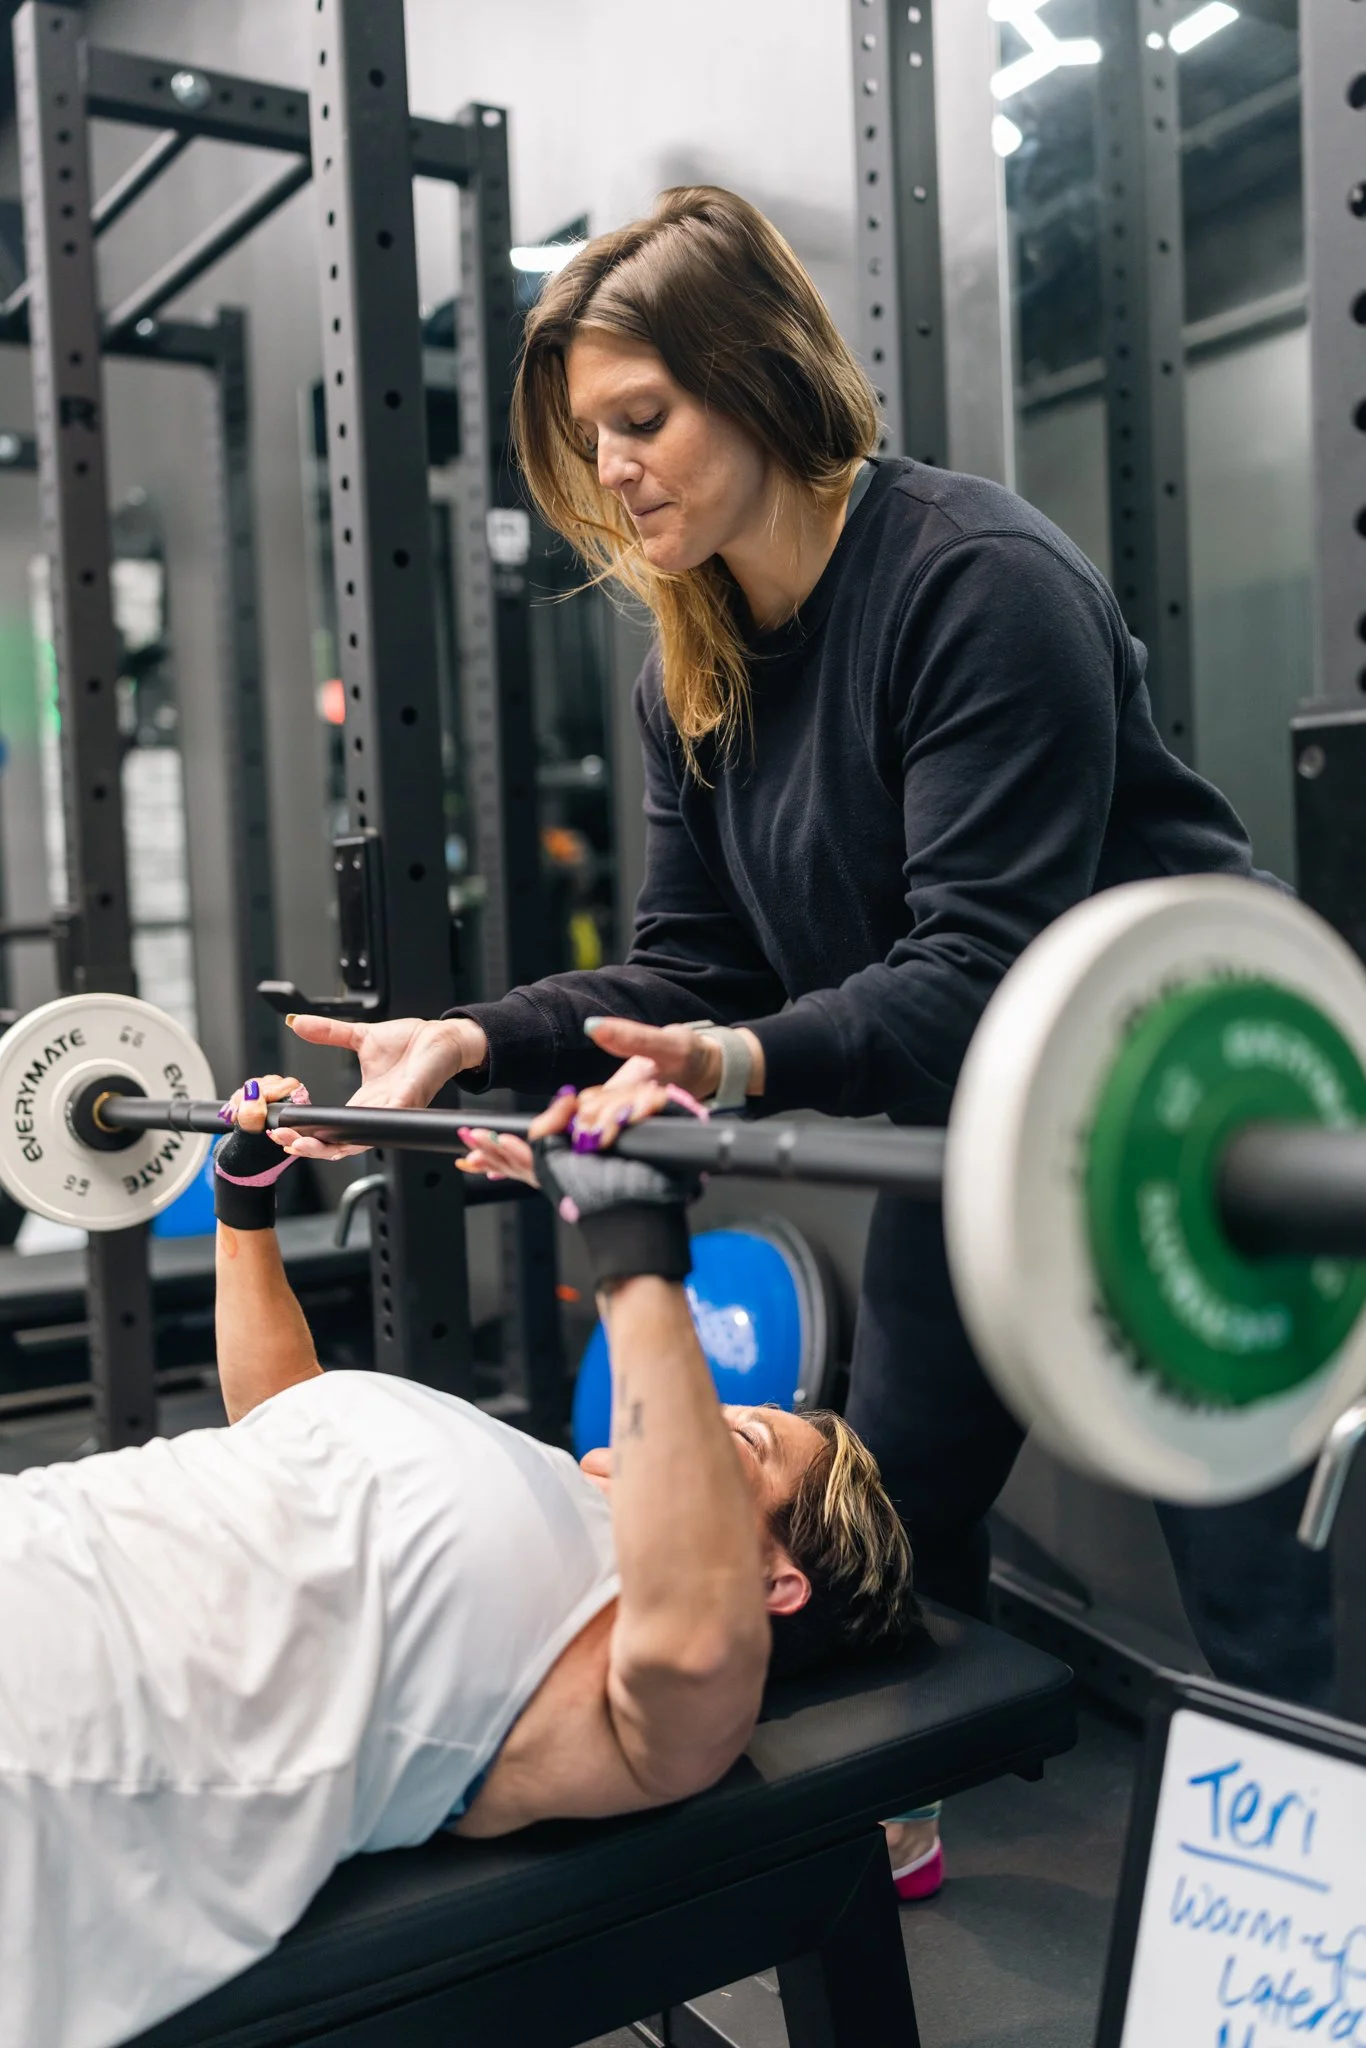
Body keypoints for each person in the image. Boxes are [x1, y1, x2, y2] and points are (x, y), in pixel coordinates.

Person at [284, 185, 1333, 1894]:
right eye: (589, 437)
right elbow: (679, 965)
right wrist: (466, 1039)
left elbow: (977, 963)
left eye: (646, 419)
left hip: (1193, 1114)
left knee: (1264, 1588)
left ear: (760, 378)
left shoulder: (974, 582)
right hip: (984, 1127)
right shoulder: (689, 667)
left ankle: (1316, 1927)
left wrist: (733, 1064)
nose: (616, 471)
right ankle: (873, 1830)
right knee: (896, 1504)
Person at [0, 1073, 918, 2048]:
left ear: (774, 1578)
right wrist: (243, 1196)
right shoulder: (534, 1471)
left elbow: (694, 1638)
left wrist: (633, 1246)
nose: (707, 1415)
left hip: (65, 1724)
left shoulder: (674, 1682)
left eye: (744, 1439)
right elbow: (286, 1415)